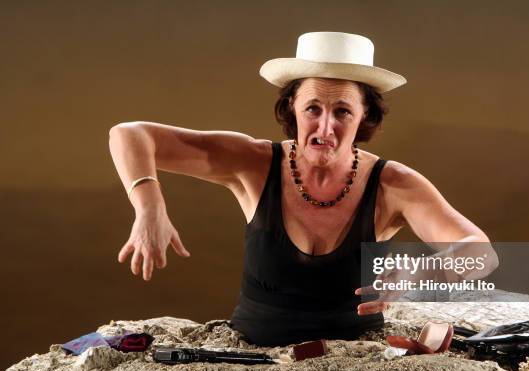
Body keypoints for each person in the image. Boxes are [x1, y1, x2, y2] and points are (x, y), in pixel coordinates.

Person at [108, 32, 493, 346]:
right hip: (254, 357)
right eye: (313, 109)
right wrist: (149, 205)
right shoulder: (254, 163)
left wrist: (423, 272)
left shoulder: (394, 184)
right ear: (292, 107)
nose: (326, 128)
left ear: (363, 119)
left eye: (342, 111)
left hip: (354, 363)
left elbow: (482, 254)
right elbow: (130, 134)